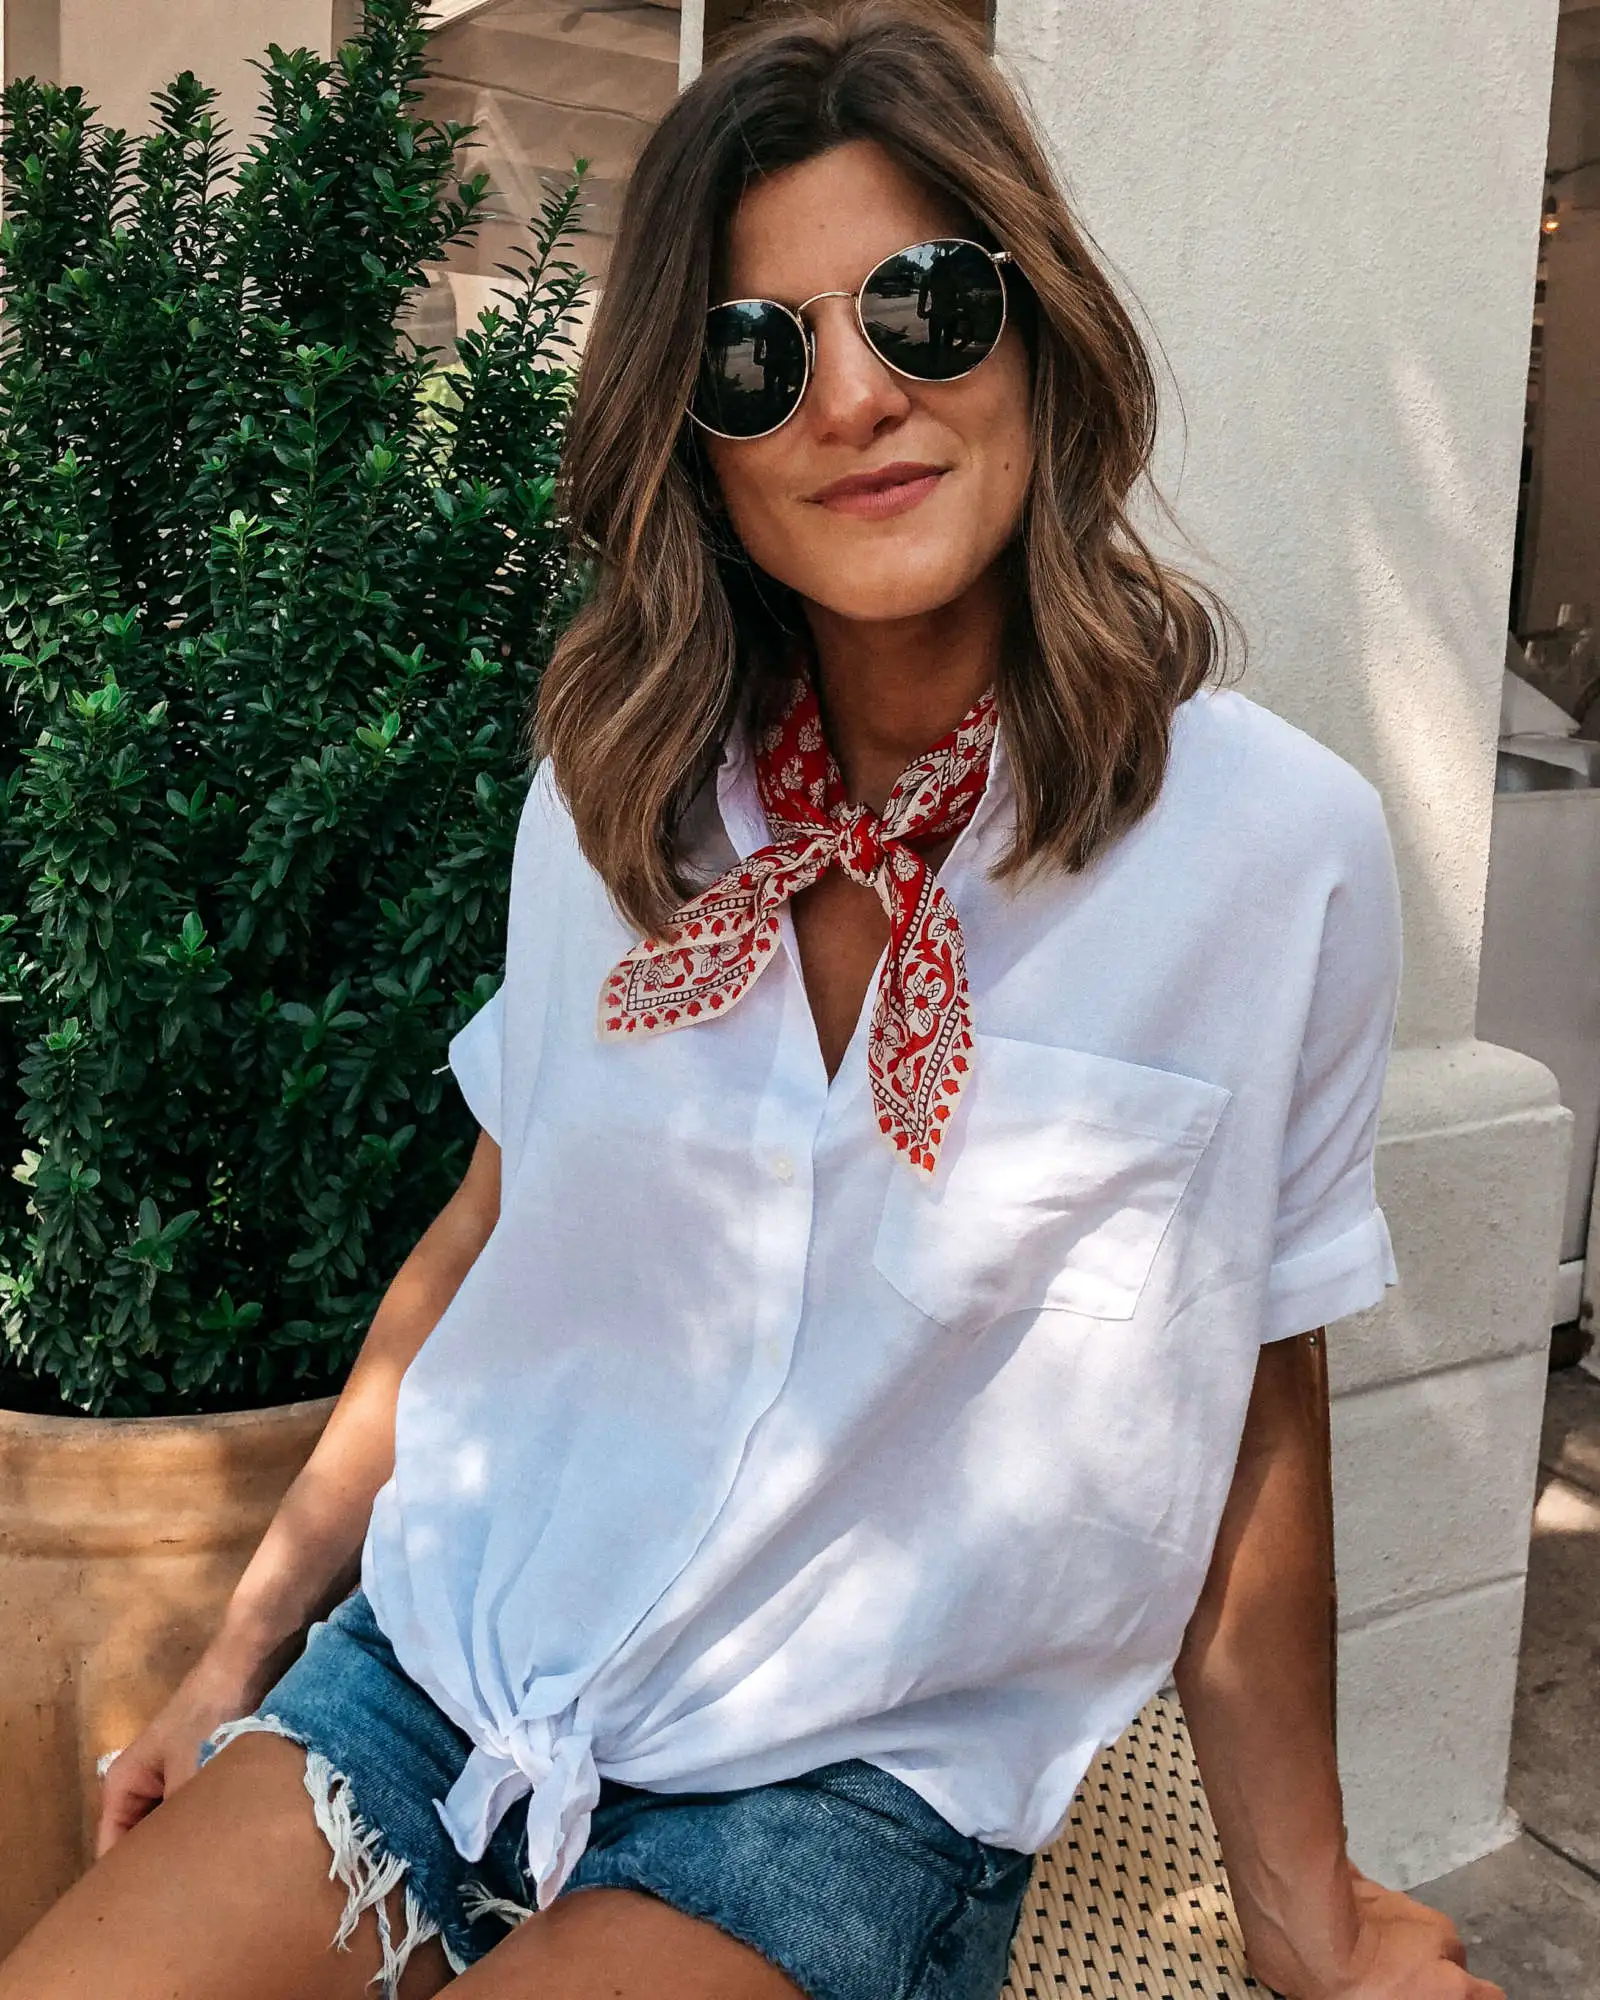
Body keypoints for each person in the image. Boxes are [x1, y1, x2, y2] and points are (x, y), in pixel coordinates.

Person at [0, 4, 1503, 1998]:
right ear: (693, 442)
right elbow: (491, 1228)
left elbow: (1250, 1404)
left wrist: (1307, 1920)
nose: (854, 396)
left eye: (925, 307)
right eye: (753, 354)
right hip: (452, 1667)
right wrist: (238, 1652)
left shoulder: (1266, 857)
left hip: (835, 1778)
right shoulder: (607, 801)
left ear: (1039, 335)